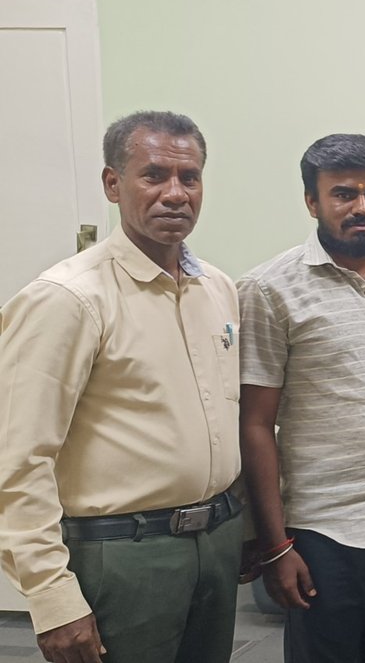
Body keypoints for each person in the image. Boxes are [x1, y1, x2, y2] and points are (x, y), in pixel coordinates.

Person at [0, 111, 246, 663]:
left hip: (216, 542)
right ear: (113, 184)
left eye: (189, 177)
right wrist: (51, 596)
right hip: (123, 554)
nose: (175, 194)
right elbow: (18, 461)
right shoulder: (68, 299)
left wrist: (242, 527)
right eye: (153, 175)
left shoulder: (218, 289)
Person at [236, 134, 365, 663]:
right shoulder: (269, 290)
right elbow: (254, 424)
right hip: (326, 532)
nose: (362, 207)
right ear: (312, 201)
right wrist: (275, 545)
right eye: (343, 194)